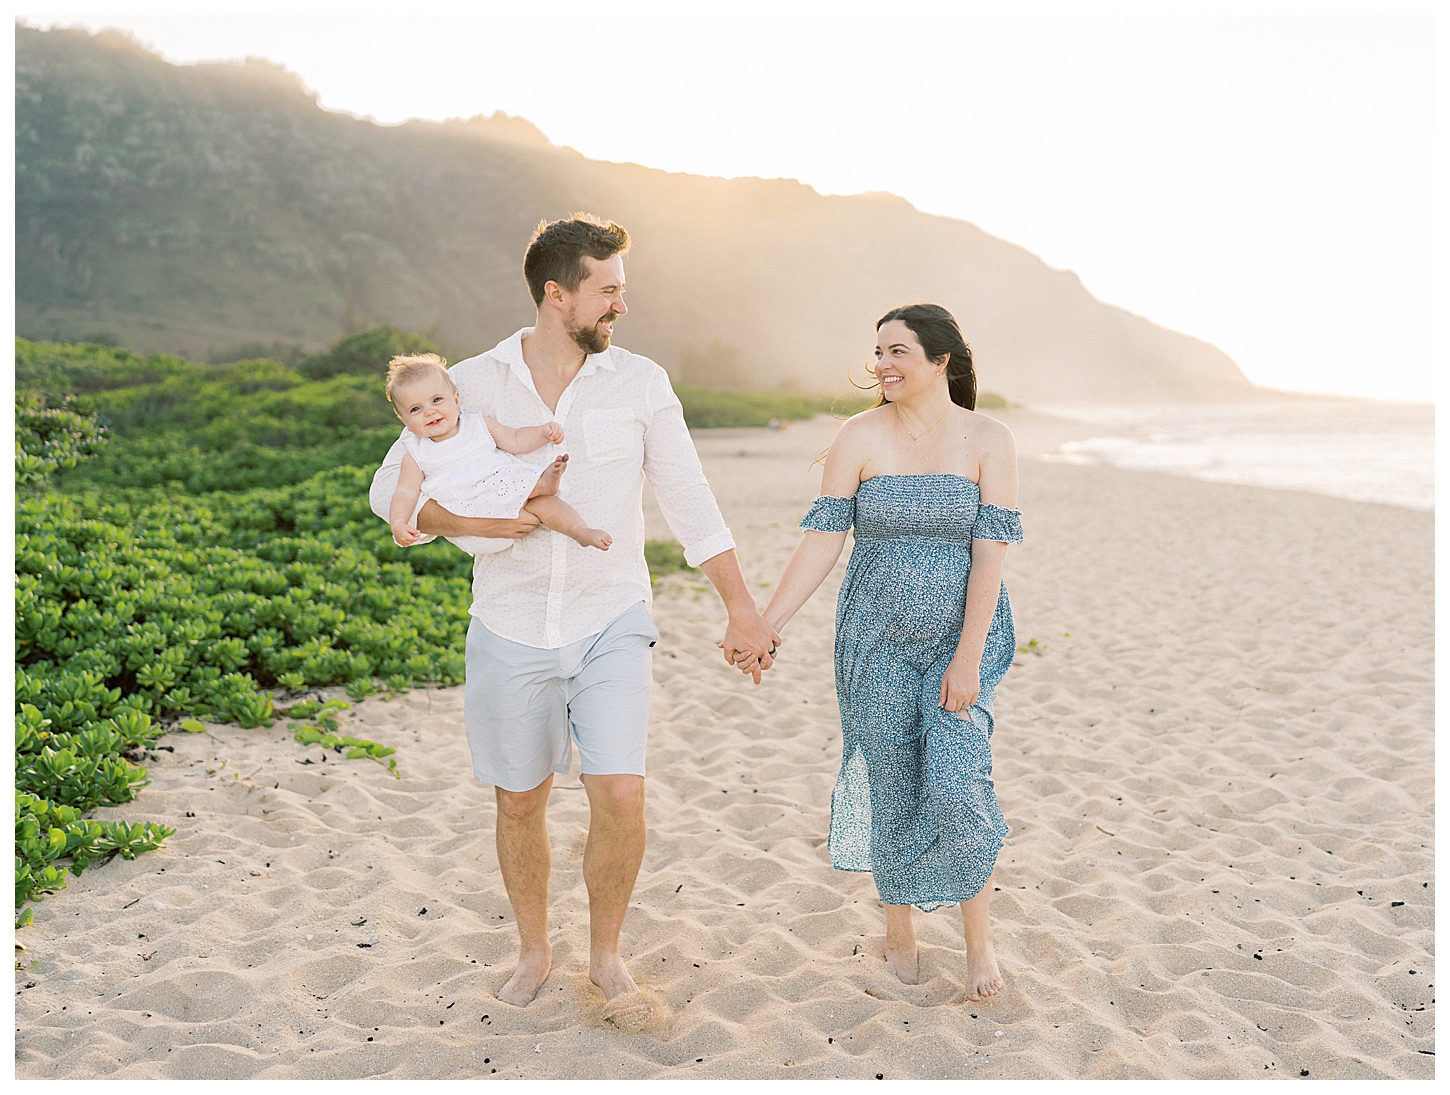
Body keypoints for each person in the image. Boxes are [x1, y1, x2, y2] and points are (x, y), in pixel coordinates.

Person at [367, 214, 780, 1009]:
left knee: (620, 791)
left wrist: (742, 609)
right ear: (557, 294)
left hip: (611, 613)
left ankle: (606, 953)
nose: (621, 306)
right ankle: (533, 950)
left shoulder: (642, 383)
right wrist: (471, 523)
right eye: (608, 290)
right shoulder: (472, 383)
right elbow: (391, 485)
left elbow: (689, 498)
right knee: (519, 797)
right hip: (510, 618)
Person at [740, 303, 1022, 1003]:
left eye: (898, 351)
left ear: (940, 361)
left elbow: (989, 559)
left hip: (961, 640)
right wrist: (766, 624)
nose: (884, 365)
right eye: (879, 353)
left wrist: (966, 657)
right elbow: (823, 540)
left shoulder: (990, 438)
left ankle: (978, 941)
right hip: (874, 638)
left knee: (958, 783)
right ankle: (898, 930)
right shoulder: (857, 435)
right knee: (893, 781)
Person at [384, 352, 611, 553]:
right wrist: (398, 523)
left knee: (544, 504)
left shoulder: (478, 425)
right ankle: (540, 484)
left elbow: (514, 439)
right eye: (416, 409)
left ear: (455, 400)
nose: (429, 411)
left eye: (436, 400)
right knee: (533, 498)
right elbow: (405, 492)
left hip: (504, 493)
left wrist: (542, 433)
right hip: (469, 513)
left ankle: (581, 531)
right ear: (404, 420)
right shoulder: (416, 453)